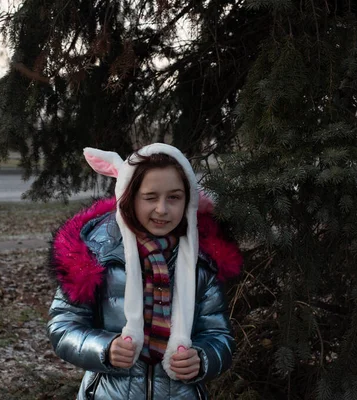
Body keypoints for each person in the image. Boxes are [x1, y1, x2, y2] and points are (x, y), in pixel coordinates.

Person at [47, 143, 242, 400]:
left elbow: (219, 335)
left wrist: (203, 358)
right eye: (150, 197)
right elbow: (63, 326)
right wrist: (105, 349)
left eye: (174, 197)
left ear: (189, 200)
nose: (162, 209)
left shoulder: (202, 260)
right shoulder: (95, 254)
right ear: (129, 195)